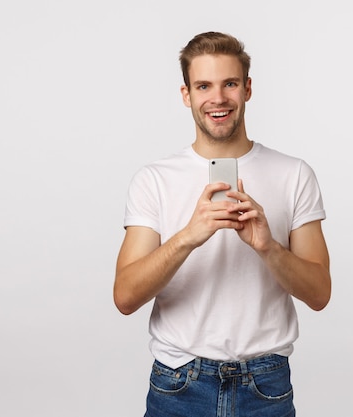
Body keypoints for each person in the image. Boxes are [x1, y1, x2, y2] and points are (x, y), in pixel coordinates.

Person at [114, 31, 331, 417]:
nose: (217, 98)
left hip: (265, 385)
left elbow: (319, 294)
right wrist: (188, 237)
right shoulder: (154, 179)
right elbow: (125, 297)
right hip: (179, 384)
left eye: (229, 83)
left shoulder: (293, 174)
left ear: (247, 89)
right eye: (203, 86)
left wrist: (267, 246)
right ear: (187, 95)